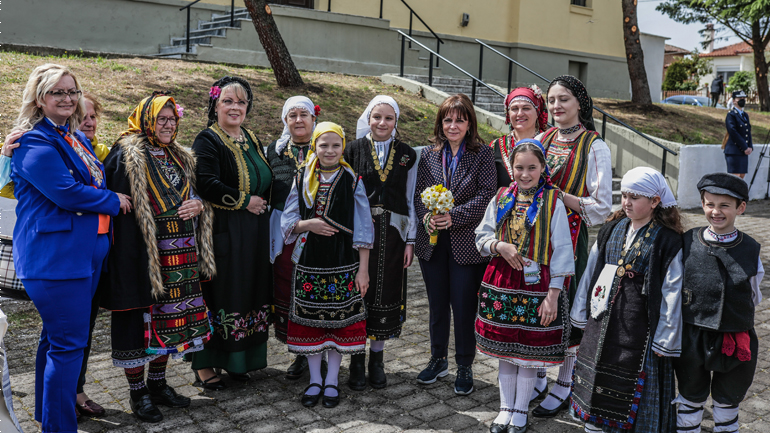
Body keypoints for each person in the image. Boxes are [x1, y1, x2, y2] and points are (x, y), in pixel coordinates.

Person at [9, 63, 129, 432]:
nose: (67, 98)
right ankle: (60, 428)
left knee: (57, 340)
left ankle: (49, 417)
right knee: (68, 347)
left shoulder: (72, 136)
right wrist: (113, 200)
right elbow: (65, 192)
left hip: (82, 257)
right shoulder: (32, 141)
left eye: (72, 91)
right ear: (39, 97)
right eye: (57, 92)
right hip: (56, 260)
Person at [102, 93, 215, 423]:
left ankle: (157, 384)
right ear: (146, 120)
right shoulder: (125, 154)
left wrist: (199, 205)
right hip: (142, 254)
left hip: (180, 255)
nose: (167, 125)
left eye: (172, 119)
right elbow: (117, 206)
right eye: (160, 119)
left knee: (170, 322)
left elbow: (194, 196)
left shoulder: (180, 156)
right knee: (139, 323)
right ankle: (138, 393)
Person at [571, 167, 684, 433]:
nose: (626, 202)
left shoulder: (667, 239)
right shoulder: (612, 228)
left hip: (640, 325)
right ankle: (594, 426)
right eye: (624, 195)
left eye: (635, 197)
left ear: (655, 201)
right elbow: (592, 271)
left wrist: (666, 337)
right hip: (602, 316)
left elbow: (672, 290)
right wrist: (580, 311)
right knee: (597, 368)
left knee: (630, 379)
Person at [475, 140, 575, 433]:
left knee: (528, 353)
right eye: (519, 167)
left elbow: (563, 250)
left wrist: (553, 295)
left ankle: (520, 410)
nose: (525, 173)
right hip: (502, 281)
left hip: (537, 286)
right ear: (512, 168)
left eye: (532, 167)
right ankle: (505, 408)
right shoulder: (503, 196)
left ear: (543, 168)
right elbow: (481, 237)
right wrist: (499, 244)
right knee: (506, 349)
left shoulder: (554, 201)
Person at [533, 75, 613, 417]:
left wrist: (559, 197)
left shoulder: (594, 146)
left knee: (567, 312)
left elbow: (602, 207)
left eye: (563, 99)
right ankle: (536, 374)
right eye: (551, 100)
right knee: (537, 306)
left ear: (580, 103)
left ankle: (565, 384)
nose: (556, 106)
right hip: (536, 239)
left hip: (572, 237)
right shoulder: (542, 138)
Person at [280, 122, 374, 408]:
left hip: (344, 262)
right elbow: (287, 220)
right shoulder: (302, 178)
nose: (329, 150)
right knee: (312, 324)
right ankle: (314, 380)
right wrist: (309, 224)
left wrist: (363, 269)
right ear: (314, 147)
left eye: (335, 145)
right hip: (310, 263)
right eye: (324, 145)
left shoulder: (352, 180)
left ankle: (332, 379)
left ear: (343, 147)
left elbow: (363, 228)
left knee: (337, 324)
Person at [188, 76, 273, 389]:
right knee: (222, 295)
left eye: (241, 102)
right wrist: (244, 201)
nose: (235, 107)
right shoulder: (207, 139)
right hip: (222, 232)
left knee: (249, 294)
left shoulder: (249, 136)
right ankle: (205, 366)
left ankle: (241, 360)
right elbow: (206, 182)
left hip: (253, 233)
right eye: (228, 101)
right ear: (215, 104)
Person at [414, 93, 496, 396]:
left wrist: (455, 216)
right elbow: (419, 194)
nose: (453, 125)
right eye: (447, 119)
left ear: (469, 123)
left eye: (459, 120)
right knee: (437, 305)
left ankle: (464, 364)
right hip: (432, 244)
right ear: (440, 122)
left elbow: (488, 194)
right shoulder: (429, 154)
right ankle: (438, 359)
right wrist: (427, 219)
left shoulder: (482, 154)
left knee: (462, 306)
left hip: (466, 244)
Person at [673, 173, 764, 433]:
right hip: (693, 333)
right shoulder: (688, 241)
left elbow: (754, 294)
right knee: (691, 391)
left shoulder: (751, 249)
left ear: (740, 208)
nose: (716, 211)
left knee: (728, 396)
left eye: (724, 205)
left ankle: (726, 427)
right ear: (702, 204)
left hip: (735, 334)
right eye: (709, 204)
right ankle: (688, 427)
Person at [344, 95, 418, 390]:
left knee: (385, 294)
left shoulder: (407, 154)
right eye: (377, 117)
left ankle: (377, 359)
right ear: (368, 119)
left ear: (395, 122)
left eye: (388, 118)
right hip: (360, 232)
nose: (382, 123)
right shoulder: (352, 149)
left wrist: (410, 240)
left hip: (395, 234)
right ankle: (356, 360)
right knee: (358, 292)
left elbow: (410, 197)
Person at [267, 95, 319, 380]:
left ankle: (320, 349)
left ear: (314, 119)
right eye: (292, 115)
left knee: (314, 285)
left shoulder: (327, 146)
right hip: (283, 232)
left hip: (317, 230)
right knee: (288, 285)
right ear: (285, 120)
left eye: (304, 115)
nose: (298, 120)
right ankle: (299, 353)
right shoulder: (273, 151)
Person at [490, 85, 548, 188]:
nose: (520, 113)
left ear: (537, 111)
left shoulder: (549, 143)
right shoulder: (496, 146)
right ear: (508, 113)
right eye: (514, 109)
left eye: (526, 108)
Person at [724, 90, 752, 178]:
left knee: (742, 176)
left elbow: (748, 131)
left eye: (744, 98)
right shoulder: (731, 115)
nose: (742, 100)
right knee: (735, 178)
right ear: (734, 101)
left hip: (744, 151)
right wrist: (744, 146)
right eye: (740, 98)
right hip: (734, 150)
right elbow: (733, 132)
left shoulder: (745, 115)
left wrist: (750, 146)